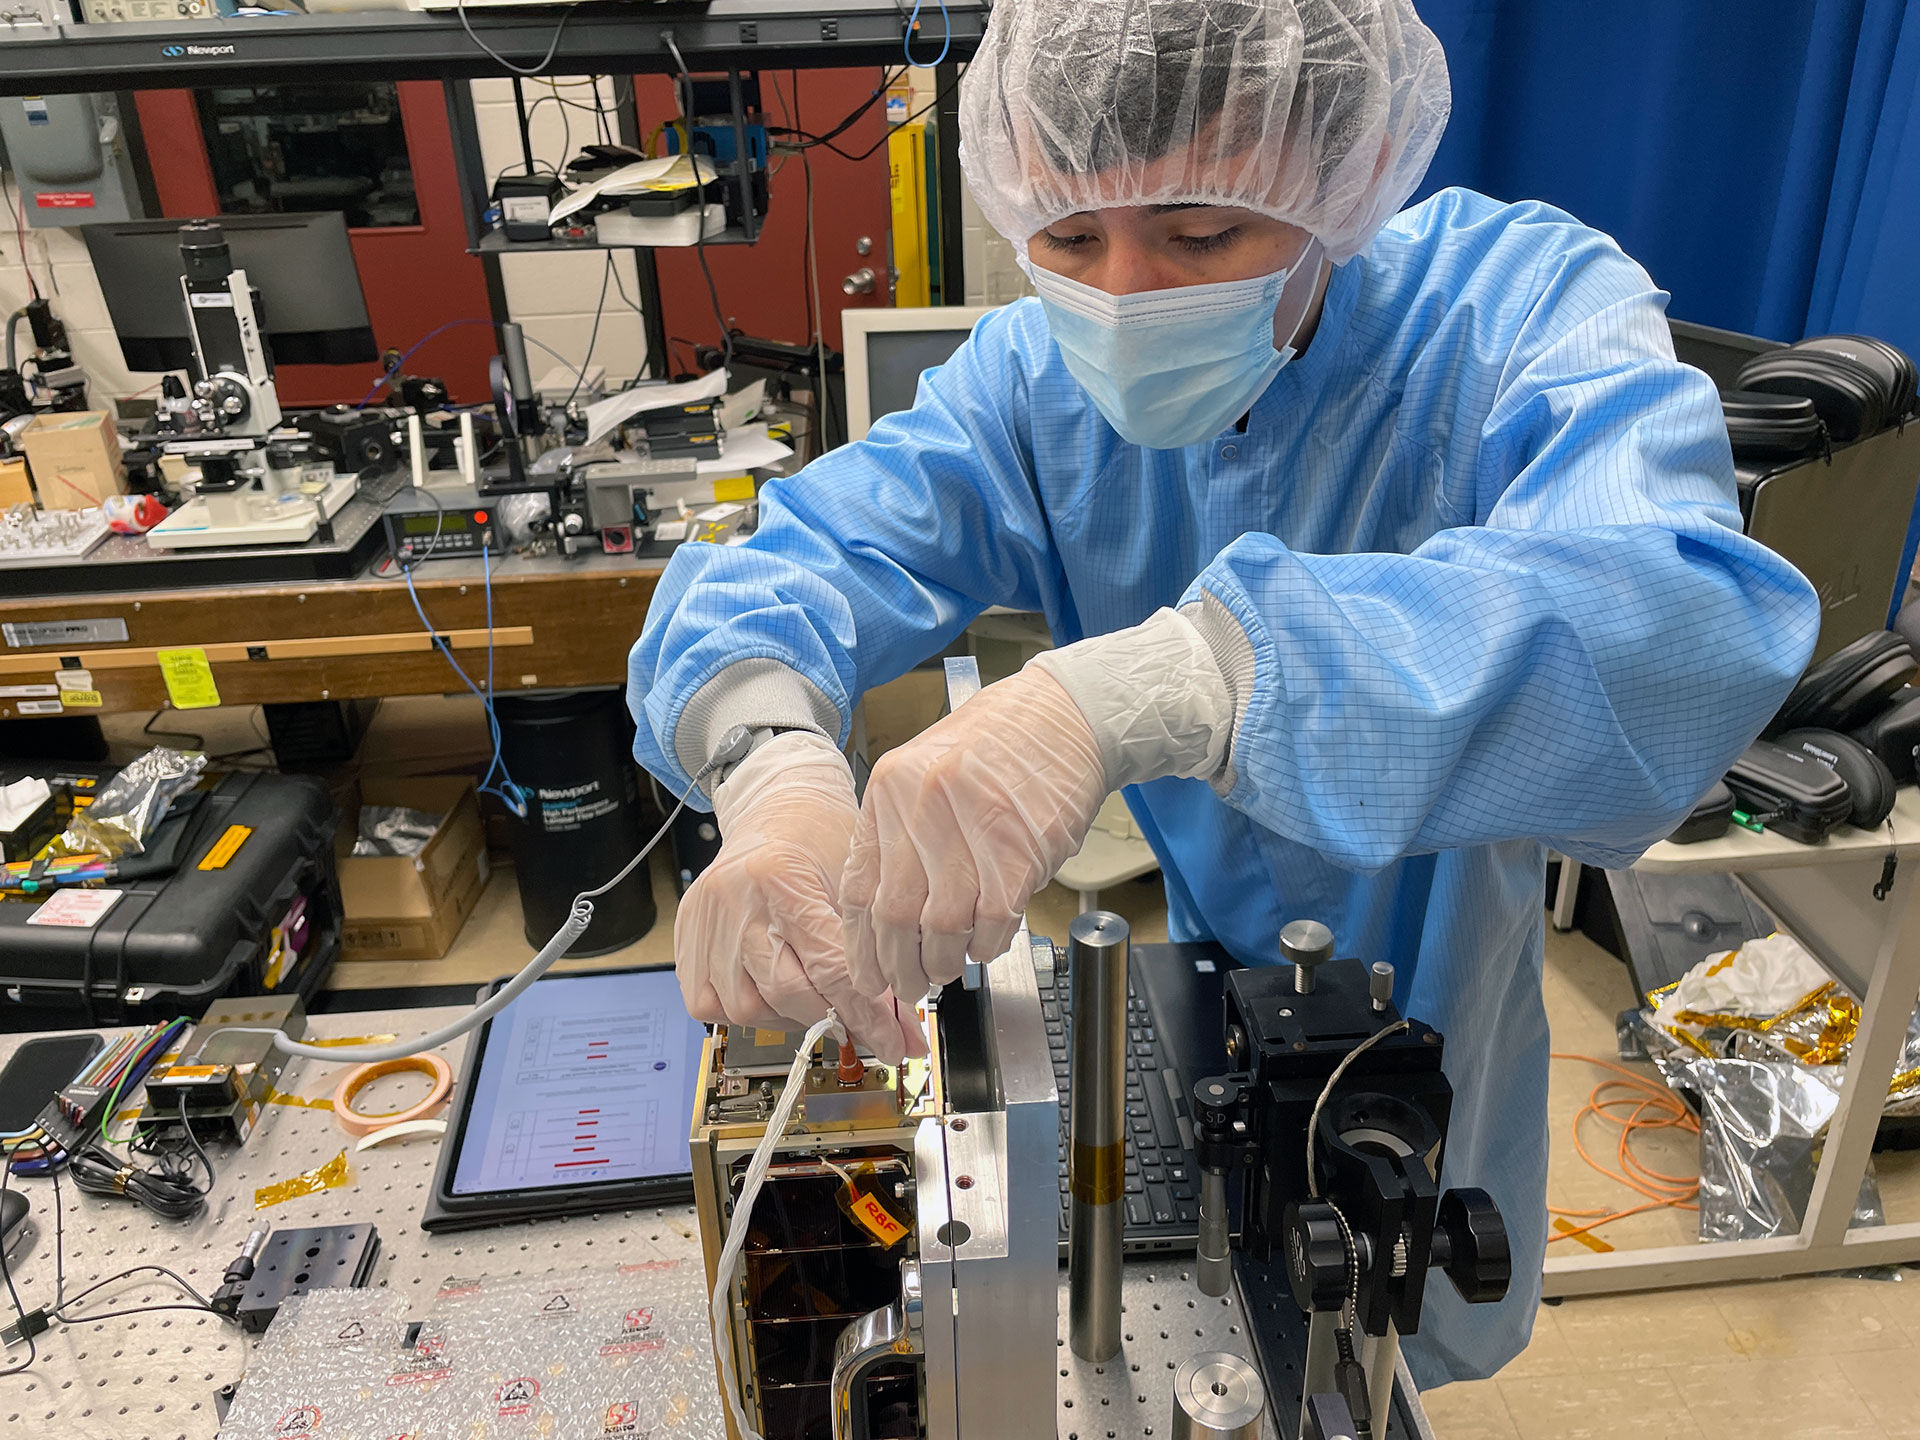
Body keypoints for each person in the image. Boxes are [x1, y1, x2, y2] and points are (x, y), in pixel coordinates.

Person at [628, 0, 1819, 1385]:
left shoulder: (1515, 309)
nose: (1128, 299)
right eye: (1069, 240)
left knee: (1375, 1341)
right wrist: (771, 771)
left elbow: (1685, 630)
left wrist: (1176, 682)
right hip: (1194, 998)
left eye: (1203, 235)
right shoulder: (1036, 382)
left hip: (1431, 1003)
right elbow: (798, 561)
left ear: (1345, 174)